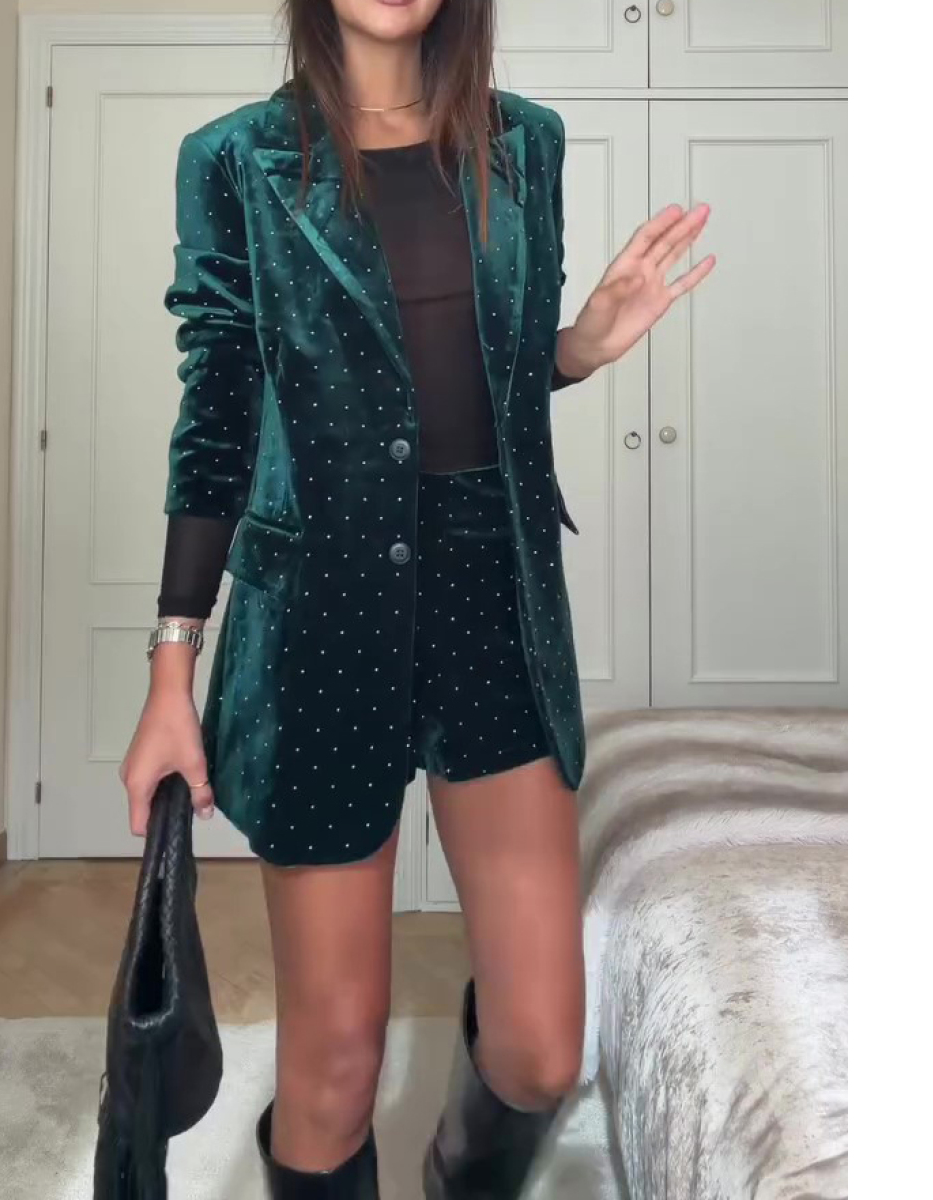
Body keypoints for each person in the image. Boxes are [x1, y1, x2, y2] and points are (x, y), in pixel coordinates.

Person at [120, 1, 714, 1194]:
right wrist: (172, 667)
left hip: (493, 601)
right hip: (316, 622)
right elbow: (218, 418)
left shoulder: (526, 144)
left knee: (543, 1049)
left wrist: (576, 348)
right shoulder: (233, 159)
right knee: (335, 1064)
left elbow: (485, 376)